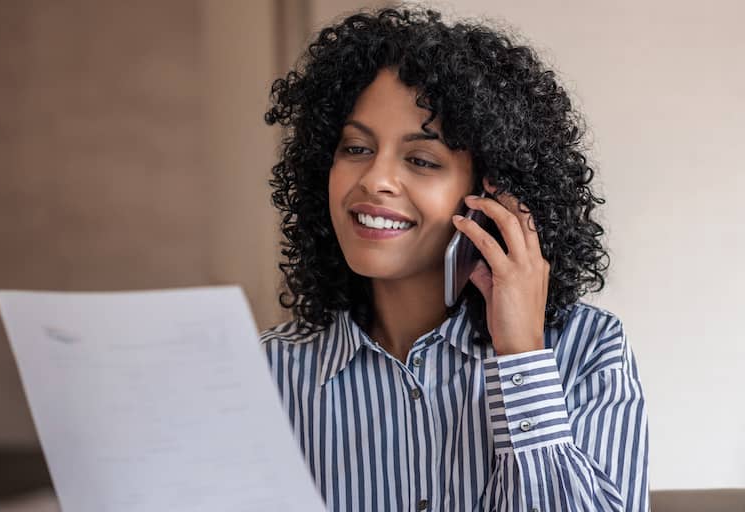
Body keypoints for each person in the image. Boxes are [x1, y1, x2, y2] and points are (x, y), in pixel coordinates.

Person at [259, 6, 649, 511]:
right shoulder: (268, 372)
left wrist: (522, 357)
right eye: (355, 148)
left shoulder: (588, 350)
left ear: (492, 195)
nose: (374, 179)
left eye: (421, 160)